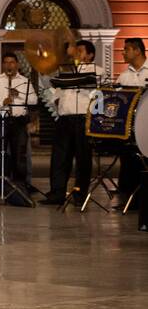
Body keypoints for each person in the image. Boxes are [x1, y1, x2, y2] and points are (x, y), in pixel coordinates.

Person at [45, 39, 104, 204]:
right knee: (59, 157)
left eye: (80, 51)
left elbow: (98, 95)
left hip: (83, 118)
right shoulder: (67, 70)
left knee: (83, 158)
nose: (76, 53)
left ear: (90, 54)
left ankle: (80, 194)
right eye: (75, 50)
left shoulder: (97, 71)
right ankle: (57, 193)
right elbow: (56, 94)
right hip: (65, 118)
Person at [0, 52, 36, 197]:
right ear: (3, 65)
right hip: (0, 121)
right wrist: (2, 103)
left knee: (20, 155)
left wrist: (19, 95)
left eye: (12, 62)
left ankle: (20, 188)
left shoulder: (25, 81)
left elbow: (34, 100)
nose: (9, 65)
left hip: (18, 122)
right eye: (6, 62)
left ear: (17, 64)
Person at [115, 37, 146, 202]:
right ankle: (128, 198)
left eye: (126, 49)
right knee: (127, 161)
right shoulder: (123, 76)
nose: (123, 52)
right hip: (128, 127)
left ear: (137, 50)